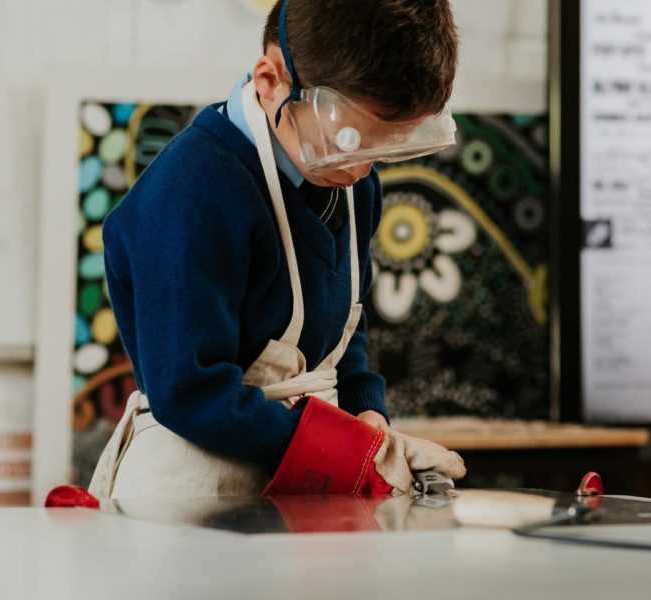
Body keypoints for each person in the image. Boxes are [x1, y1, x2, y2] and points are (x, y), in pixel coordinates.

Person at [90, 0, 468, 498]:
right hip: (192, 491)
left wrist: (366, 417)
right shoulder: (195, 188)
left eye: (382, 149)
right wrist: (347, 451)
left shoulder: (354, 186)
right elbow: (190, 392)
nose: (360, 169)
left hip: (301, 478)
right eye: (347, 140)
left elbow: (342, 332)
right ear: (270, 81)